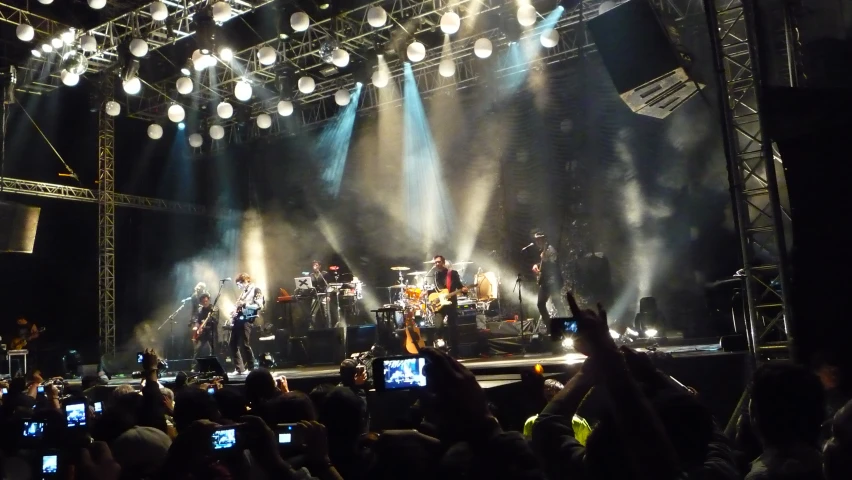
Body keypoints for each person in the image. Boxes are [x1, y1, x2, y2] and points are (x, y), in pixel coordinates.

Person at [432, 255, 467, 356]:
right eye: (435, 262)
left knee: (453, 327)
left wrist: (464, 290)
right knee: (438, 326)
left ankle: (455, 351)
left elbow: (460, 286)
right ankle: (439, 349)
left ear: (443, 262)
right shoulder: (435, 274)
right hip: (440, 303)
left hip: (451, 302)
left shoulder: (452, 273)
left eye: (438, 262)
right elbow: (436, 288)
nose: (437, 264)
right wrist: (429, 294)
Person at [230, 272, 264, 375]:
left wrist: (245, 304)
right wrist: (235, 311)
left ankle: (252, 368)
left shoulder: (256, 289)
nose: (238, 286)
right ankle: (239, 368)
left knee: (245, 343)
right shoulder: (243, 292)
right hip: (239, 318)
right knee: (232, 344)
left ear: (245, 281)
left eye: (239, 284)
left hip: (248, 318)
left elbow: (259, 305)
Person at [531, 232, 564, 322]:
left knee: (557, 302)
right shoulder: (543, 251)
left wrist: (546, 260)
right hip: (545, 282)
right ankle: (549, 326)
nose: (537, 242)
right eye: (536, 240)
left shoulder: (550, 250)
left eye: (539, 239)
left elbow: (554, 264)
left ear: (544, 239)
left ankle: (565, 323)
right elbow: (543, 265)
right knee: (540, 304)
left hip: (554, 281)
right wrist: (536, 265)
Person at [192, 293, 217, 358]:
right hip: (202, 333)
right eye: (203, 302)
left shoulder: (214, 309)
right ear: (201, 302)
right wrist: (196, 326)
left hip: (211, 332)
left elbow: (215, 321)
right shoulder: (200, 309)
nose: (205, 303)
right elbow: (197, 320)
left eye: (206, 301)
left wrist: (205, 325)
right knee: (197, 349)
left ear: (209, 300)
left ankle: (213, 367)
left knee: (213, 351)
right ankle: (194, 367)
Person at [310, 260, 330, 330]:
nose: (314, 266)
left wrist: (328, 295)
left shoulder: (324, 274)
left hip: (324, 295)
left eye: (316, 265)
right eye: (314, 265)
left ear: (319, 266)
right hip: (315, 295)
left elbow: (328, 285)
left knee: (326, 312)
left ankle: (328, 327)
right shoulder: (311, 275)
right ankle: (312, 327)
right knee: (313, 312)